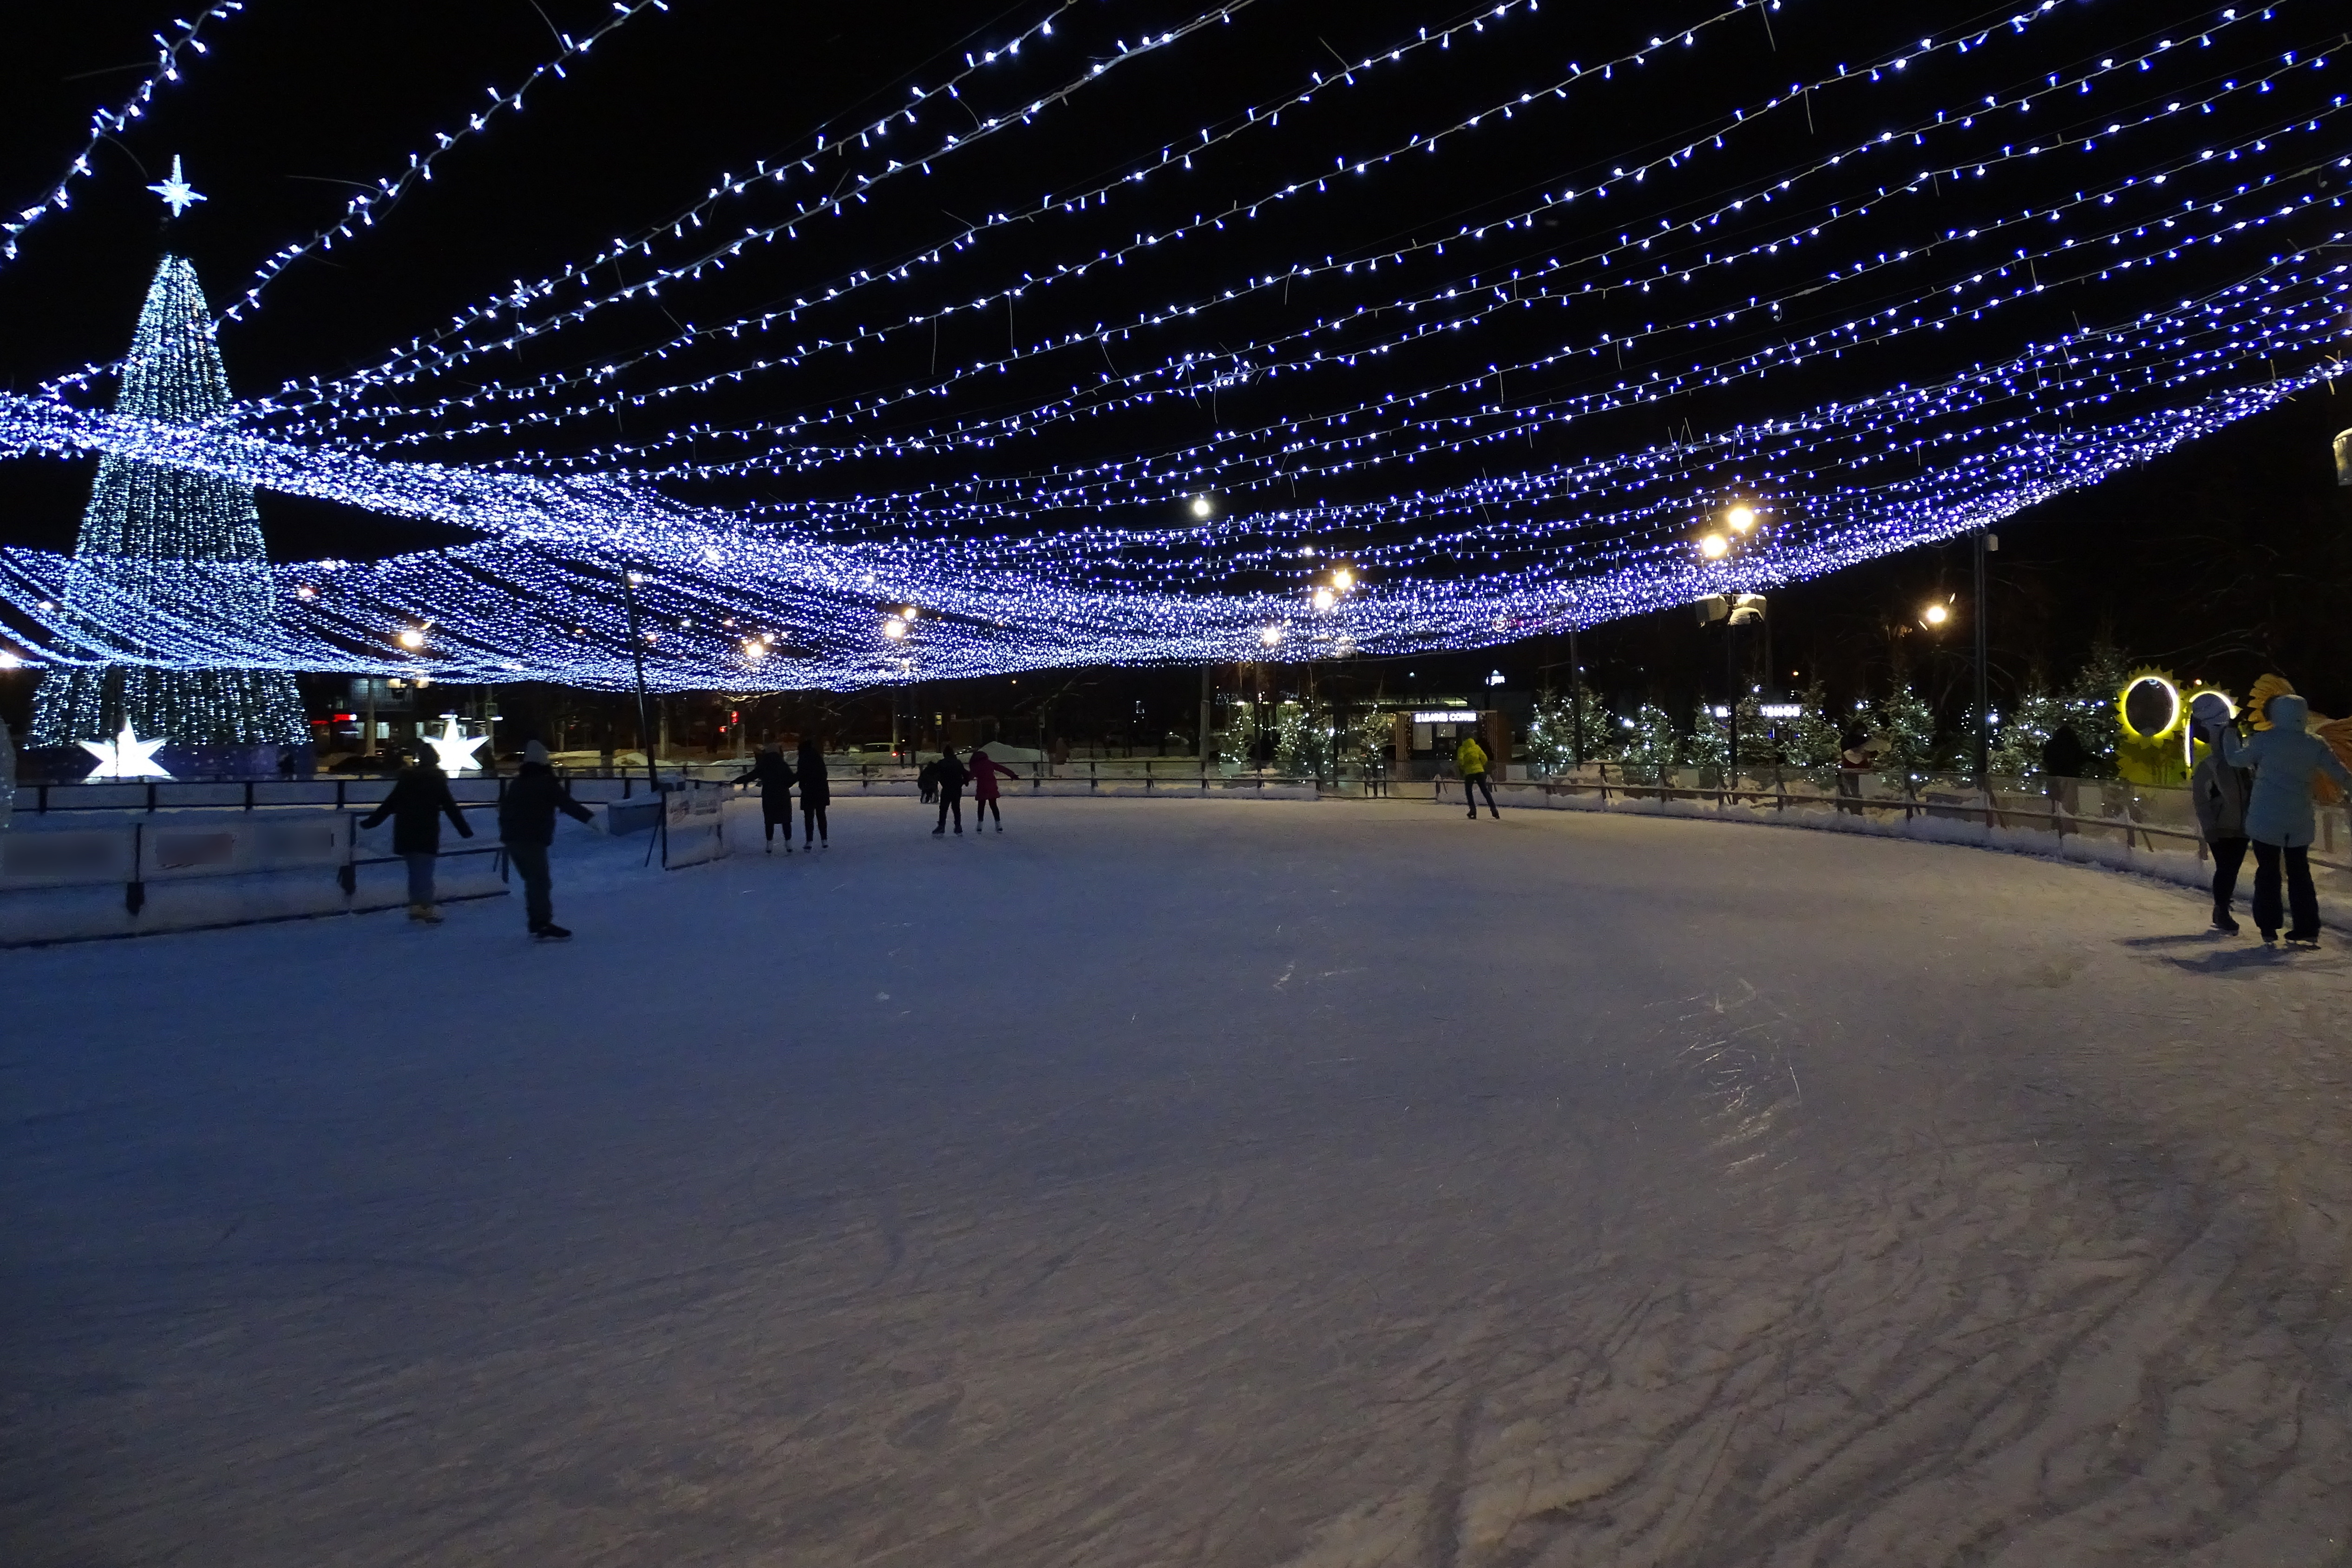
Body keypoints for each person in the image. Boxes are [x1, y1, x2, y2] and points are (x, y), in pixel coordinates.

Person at [2220, 692, 2352, 947]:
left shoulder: (2265, 741)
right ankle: (2308, 927)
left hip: (2266, 819)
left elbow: (2235, 759)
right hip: (2298, 819)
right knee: (2300, 873)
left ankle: (2269, 927)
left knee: (2268, 872)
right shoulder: (2315, 744)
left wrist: (2229, 734)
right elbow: (2341, 774)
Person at [498, 739, 599, 939]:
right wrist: (591, 819)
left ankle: (537, 920)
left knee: (532, 881)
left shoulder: (517, 783)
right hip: (532, 839)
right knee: (539, 881)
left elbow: (504, 809)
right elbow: (567, 804)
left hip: (513, 839)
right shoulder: (546, 783)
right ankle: (541, 923)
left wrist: (507, 831)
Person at [360, 746, 474, 923]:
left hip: (405, 830)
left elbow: (390, 803)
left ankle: (416, 907)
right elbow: (450, 807)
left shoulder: (407, 779)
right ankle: (425, 908)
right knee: (425, 872)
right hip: (426, 831)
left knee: (415, 871)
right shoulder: (436, 780)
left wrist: (371, 823)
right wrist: (465, 831)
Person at [2187, 694, 2253, 934]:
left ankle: (2222, 908)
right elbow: (2201, 801)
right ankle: (2222, 909)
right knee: (2227, 869)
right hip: (2224, 825)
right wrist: (2210, 829)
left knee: (2230, 869)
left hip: (2241, 824)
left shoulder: (2242, 764)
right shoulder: (2212, 766)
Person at [735, 745, 799, 853]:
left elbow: (752, 776)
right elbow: (791, 780)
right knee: (786, 819)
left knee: (769, 820)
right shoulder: (783, 765)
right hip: (783, 795)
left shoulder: (763, 765)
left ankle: (769, 844)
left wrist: (737, 781)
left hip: (769, 794)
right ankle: (788, 844)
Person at [968, 745, 1017, 832]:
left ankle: (980, 825)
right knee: (994, 805)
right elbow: (1002, 769)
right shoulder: (989, 763)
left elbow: (971, 776)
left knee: (981, 806)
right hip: (991, 787)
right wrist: (1012, 774)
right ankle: (998, 825)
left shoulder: (976, 765)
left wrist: (964, 781)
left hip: (982, 787)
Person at [1456, 732, 1500, 819]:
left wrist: (1464, 767)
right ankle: (1494, 810)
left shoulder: (1462, 749)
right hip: (1480, 771)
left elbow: (1461, 760)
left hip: (1469, 773)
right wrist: (1480, 766)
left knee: (1469, 791)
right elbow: (1485, 758)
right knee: (1485, 791)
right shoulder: (1477, 747)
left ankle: (1473, 810)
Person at [796, 735, 830, 848]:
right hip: (821, 790)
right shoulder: (817, 756)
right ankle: (824, 840)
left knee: (809, 817)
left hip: (809, 791)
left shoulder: (803, 758)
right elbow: (824, 773)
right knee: (821, 815)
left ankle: (809, 841)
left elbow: (800, 774)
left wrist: (802, 785)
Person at [932, 745, 968, 835]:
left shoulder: (942, 763)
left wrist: (940, 780)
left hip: (947, 788)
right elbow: (965, 773)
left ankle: (941, 826)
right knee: (956, 808)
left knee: (944, 808)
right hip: (957, 788)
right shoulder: (958, 763)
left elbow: (935, 773)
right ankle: (958, 826)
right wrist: (964, 782)